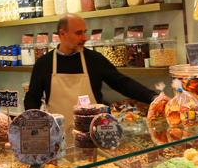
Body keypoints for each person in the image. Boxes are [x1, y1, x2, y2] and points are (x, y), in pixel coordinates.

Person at [24, 14, 167, 135]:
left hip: (94, 136)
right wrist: (35, 127)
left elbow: (123, 83)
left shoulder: (94, 59)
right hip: (58, 137)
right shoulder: (44, 63)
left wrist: (154, 97)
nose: (85, 38)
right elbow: (32, 97)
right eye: (78, 33)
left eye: (85, 32)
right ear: (62, 34)